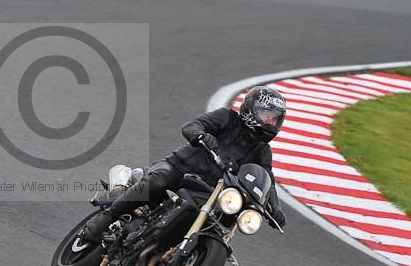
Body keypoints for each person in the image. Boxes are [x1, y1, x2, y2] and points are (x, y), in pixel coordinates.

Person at [80, 86, 288, 241]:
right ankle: (106, 217)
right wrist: (200, 135)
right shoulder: (226, 117)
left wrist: (275, 207)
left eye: (275, 119)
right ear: (251, 109)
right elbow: (193, 125)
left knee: (220, 219)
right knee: (158, 182)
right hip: (180, 168)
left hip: (209, 192)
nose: (271, 122)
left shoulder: (262, 151)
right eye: (267, 116)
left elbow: (267, 179)